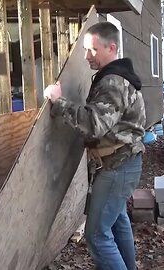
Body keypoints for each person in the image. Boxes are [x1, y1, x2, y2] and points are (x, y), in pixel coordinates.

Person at [44, 22, 146, 270]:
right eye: (85, 50)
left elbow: (93, 124)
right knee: (117, 221)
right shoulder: (114, 78)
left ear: (111, 48)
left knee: (97, 235)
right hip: (122, 163)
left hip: (118, 166)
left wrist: (58, 101)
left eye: (92, 50)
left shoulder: (113, 82)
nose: (87, 56)